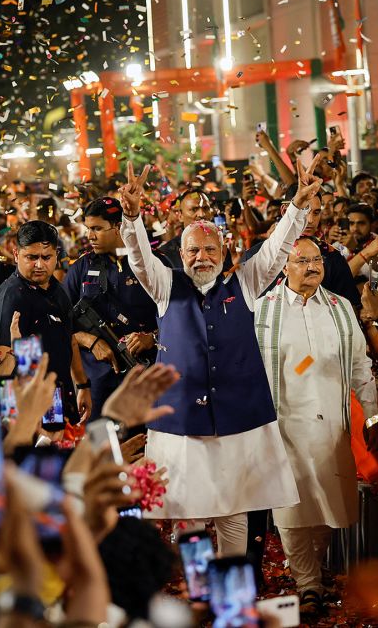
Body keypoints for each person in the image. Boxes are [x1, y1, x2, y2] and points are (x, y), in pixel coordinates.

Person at [116, 158, 323, 557]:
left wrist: (297, 208)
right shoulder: (164, 286)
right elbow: (140, 258)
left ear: (224, 250)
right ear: (180, 253)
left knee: (235, 512)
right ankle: (197, 593)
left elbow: (278, 250)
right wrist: (132, 218)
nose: (202, 257)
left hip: (238, 421)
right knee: (186, 513)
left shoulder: (244, 282)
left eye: (210, 249)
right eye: (193, 250)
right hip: (182, 423)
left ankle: (234, 592)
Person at [252, 236, 378, 615]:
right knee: (291, 508)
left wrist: (371, 415)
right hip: (284, 425)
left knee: (329, 506)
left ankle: (312, 564)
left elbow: (361, 366)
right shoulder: (263, 311)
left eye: (317, 261)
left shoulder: (341, 309)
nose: (312, 267)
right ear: (285, 267)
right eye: (303, 261)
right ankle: (307, 582)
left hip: (332, 425)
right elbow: (249, 375)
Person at [64, 197, 163, 421]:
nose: (90, 236)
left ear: (118, 227)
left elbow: (178, 317)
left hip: (144, 377)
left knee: (148, 448)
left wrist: (152, 338)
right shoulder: (81, 267)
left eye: (97, 229)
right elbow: (59, 321)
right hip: (97, 385)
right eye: (88, 229)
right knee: (102, 448)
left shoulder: (151, 264)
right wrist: (89, 340)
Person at [0, 220, 92, 425]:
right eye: (31, 257)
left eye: (46, 257)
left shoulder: (57, 289)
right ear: (16, 254)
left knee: (66, 452)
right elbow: (1, 368)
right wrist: (14, 427)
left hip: (60, 398)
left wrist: (82, 385)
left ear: (56, 255)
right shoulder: (11, 298)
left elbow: (69, 339)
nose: (39, 264)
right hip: (29, 411)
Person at [158, 189, 213, 269]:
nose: (201, 214)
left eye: (205, 208)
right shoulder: (166, 254)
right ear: (180, 216)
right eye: (194, 209)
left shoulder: (222, 248)